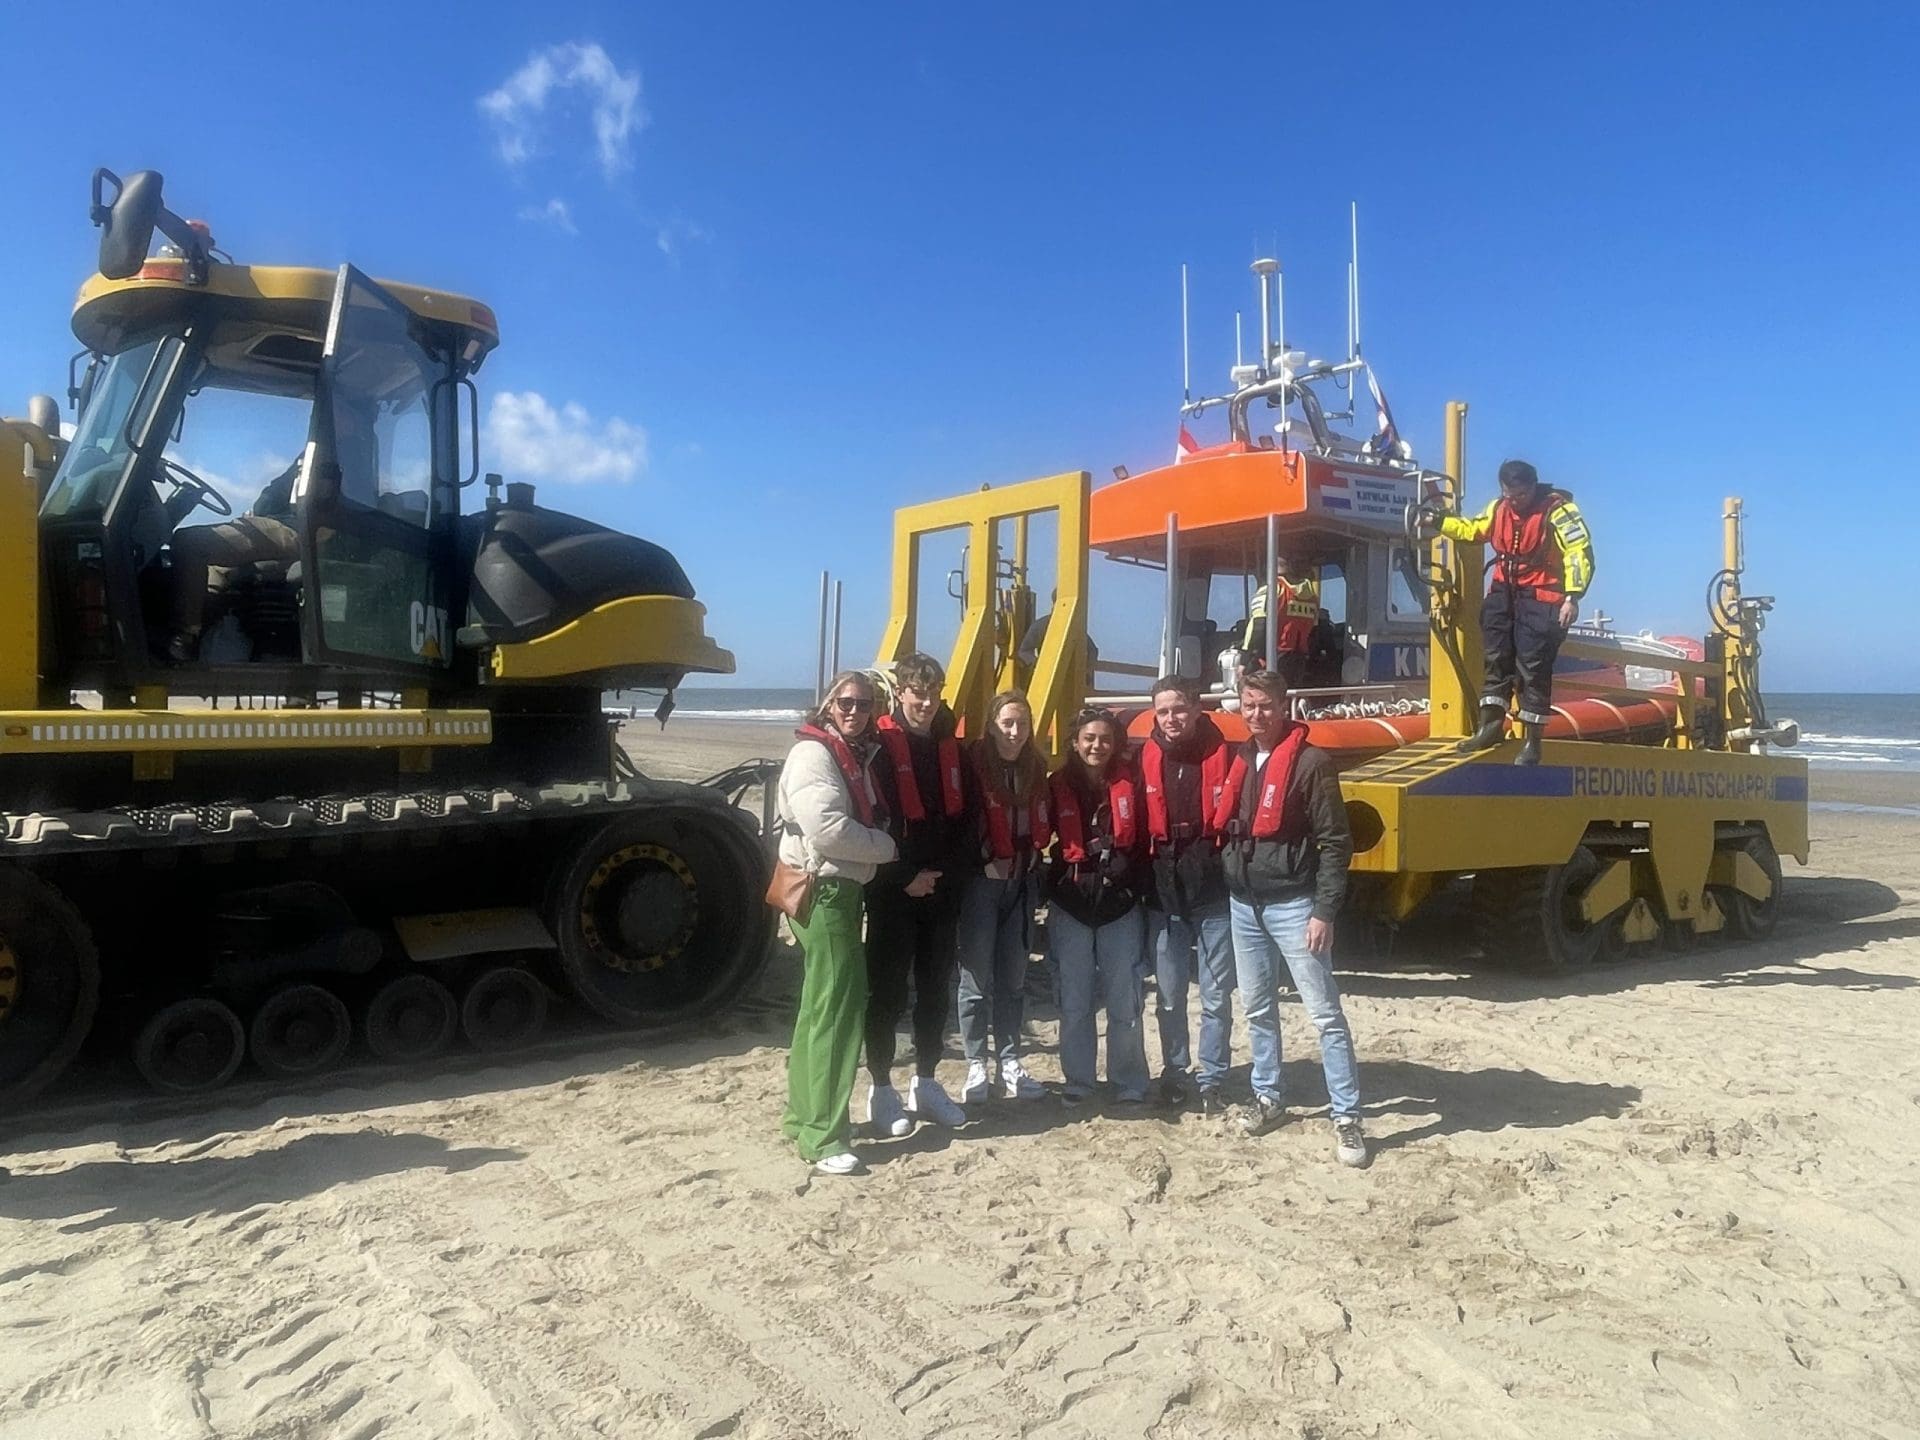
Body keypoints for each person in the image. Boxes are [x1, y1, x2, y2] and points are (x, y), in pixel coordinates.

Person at [1222, 669, 1366, 1167]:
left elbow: (1336, 841)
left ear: (1283, 707)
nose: (1257, 713)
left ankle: (1347, 1115)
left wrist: (1324, 911)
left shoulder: (1312, 763)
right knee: (1257, 1008)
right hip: (1244, 904)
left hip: (1294, 906)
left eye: (1266, 705)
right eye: (1249, 704)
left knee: (1325, 1013)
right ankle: (1268, 1096)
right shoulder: (1241, 757)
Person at [775, 671, 898, 1176]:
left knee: (818, 1009)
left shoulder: (845, 752)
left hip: (834, 891)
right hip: (825, 891)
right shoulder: (814, 755)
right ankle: (824, 1137)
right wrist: (887, 848)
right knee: (840, 1014)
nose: (854, 711)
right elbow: (828, 830)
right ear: (828, 704)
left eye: (864, 704)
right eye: (846, 702)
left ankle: (802, 1118)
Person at [862, 653, 973, 1134]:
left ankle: (926, 1082)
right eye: (917, 693)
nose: (925, 702)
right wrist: (904, 876)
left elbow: (969, 819)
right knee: (886, 992)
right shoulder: (880, 749)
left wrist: (945, 875)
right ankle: (881, 1089)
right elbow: (871, 819)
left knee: (934, 991)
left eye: (933, 693)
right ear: (901, 693)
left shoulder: (955, 749)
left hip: (942, 889)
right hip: (893, 889)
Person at [1440, 459, 1595, 766]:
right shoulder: (1498, 509)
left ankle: (1532, 741)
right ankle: (1490, 727)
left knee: (1532, 667)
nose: (1515, 501)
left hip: (1542, 598)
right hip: (1504, 594)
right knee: (1495, 658)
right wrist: (1441, 523)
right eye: (1509, 495)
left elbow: (1579, 553)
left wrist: (1572, 597)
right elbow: (1474, 529)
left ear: (1533, 487)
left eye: (1521, 495)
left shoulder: (1559, 511)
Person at [1140, 676, 1238, 1113]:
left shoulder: (1227, 755)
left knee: (1216, 995)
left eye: (1179, 709)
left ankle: (1212, 1078)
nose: (1171, 718)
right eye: (1163, 711)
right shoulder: (1143, 757)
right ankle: (1175, 1074)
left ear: (1197, 709)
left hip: (1214, 887)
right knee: (1169, 994)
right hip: (1165, 890)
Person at [1046, 707, 1151, 1105]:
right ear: (1075, 742)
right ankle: (1079, 1080)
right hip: (1071, 904)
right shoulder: (1055, 786)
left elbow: (1147, 838)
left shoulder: (1132, 783)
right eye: (1089, 738)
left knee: (1125, 1000)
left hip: (1119, 906)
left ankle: (1128, 1079)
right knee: (1074, 1000)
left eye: (1105, 739)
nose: (1097, 746)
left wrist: (1130, 878)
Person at [955, 690, 1052, 1104]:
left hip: (1021, 882)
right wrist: (981, 863)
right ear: (992, 726)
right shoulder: (971, 767)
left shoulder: (1036, 769)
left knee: (1013, 980)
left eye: (1022, 724)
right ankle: (976, 1063)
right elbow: (957, 826)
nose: (1015, 732)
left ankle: (1010, 1061)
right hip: (982, 884)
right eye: (1007, 723)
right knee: (976, 979)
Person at [165, 460, 300, 661]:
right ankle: (206, 625)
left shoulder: (322, 454)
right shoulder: (324, 456)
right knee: (213, 568)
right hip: (291, 524)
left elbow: (266, 501)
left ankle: (187, 634)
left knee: (190, 543)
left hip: (296, 528)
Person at [1240, 555, 1319, 687]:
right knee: (1289, 694)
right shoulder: (1312, 597)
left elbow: (1258, 625)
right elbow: (1313, 630)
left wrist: (1245, 660)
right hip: (1299, 659)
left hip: (1273, 657)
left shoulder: (1271, 590)